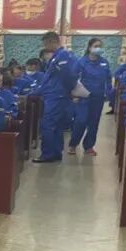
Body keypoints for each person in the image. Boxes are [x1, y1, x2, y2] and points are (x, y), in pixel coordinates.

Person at [33, 31, 78, 162]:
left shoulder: (63, 56)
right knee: (57, 126)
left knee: (48, 125)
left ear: (52, 42)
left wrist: (68, 91)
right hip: (55, 95)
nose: (45, 47)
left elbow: (69, 76)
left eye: (46, 44)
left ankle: (47, 154)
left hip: (57, 96)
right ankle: (56, 153)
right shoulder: (57, 56)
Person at [68, 38, 111, 156]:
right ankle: (73, 144)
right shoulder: (81, 62)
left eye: (100, 46)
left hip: (98, 98)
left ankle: (89, 146)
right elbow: (73, 79)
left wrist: (108, 93)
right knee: (80, 121)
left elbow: (108, 79)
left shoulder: (104, 62)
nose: (98, 48)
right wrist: (73, 95)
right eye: (96, 46)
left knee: (94, 123)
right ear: (89, 47)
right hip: (83, 97)